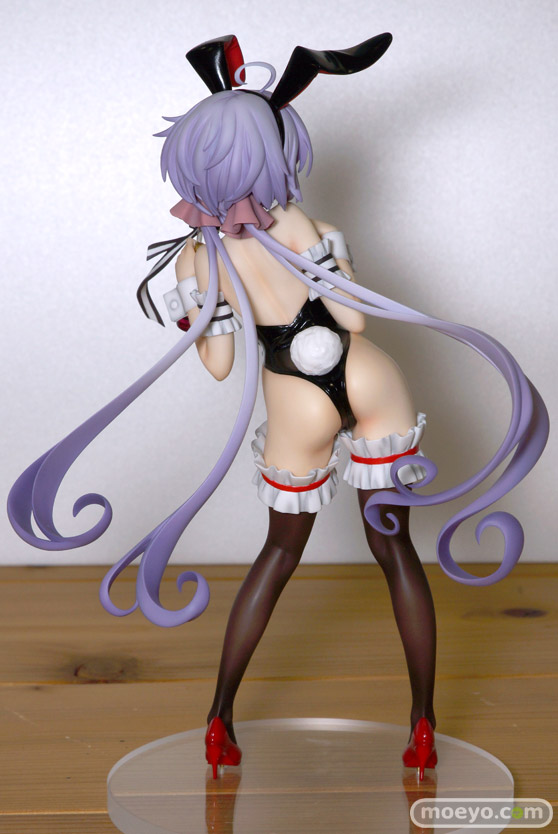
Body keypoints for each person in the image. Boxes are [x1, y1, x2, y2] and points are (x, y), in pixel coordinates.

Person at [7, 35, 549, 782]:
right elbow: (353, 322)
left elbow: (220, 363)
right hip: (368, 378)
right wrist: (331, 257)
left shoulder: (198, 257)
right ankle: (423, 726)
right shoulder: (302, 226)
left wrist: (194, 311)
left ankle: (219, 721)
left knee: (279, 554)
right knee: (395, 550)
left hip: (293, 398)